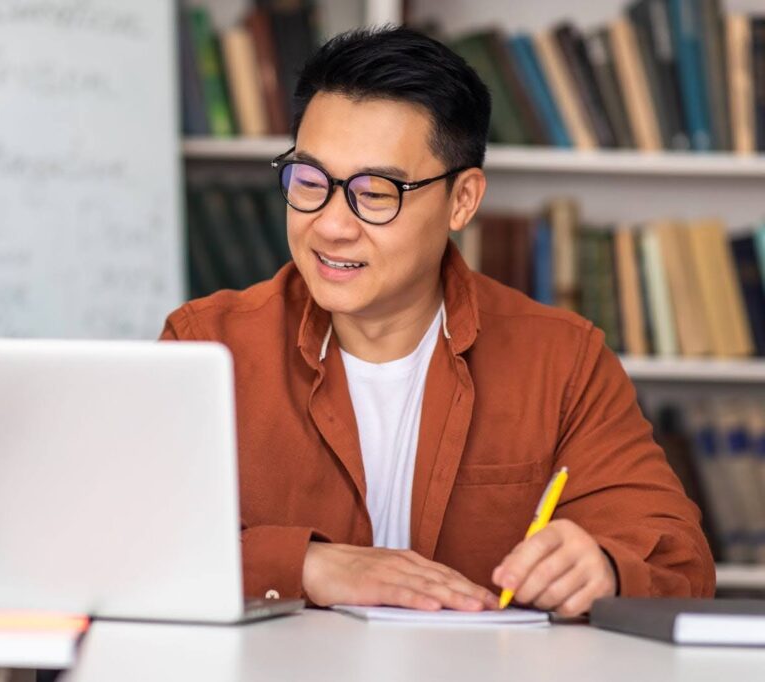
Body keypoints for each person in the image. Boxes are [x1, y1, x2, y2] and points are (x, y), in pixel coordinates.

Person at [160, 26, 714, 616]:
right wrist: (306, 565)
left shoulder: (562, 360)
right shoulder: (207, 345)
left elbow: (680, 563)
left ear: (462, 201)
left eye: (375, 192)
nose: (329, 225)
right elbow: (128, 542)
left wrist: (603, 566)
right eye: (310, 180)